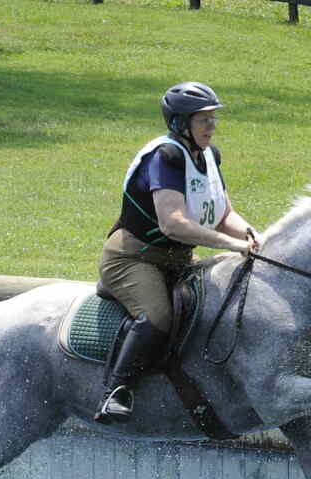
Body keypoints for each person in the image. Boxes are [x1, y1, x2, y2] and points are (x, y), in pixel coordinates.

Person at [94, 81, 259, 425]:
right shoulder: (165, 157)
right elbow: (173, 224)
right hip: (133, 259)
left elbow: (224, 215)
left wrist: (253, 235)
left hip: (177, 261)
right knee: (158, 318)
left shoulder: (209, 156)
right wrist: (232, 246)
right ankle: (116, 391)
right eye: (203, 120)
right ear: (179, 123)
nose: (211, 126)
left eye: (213, 119)